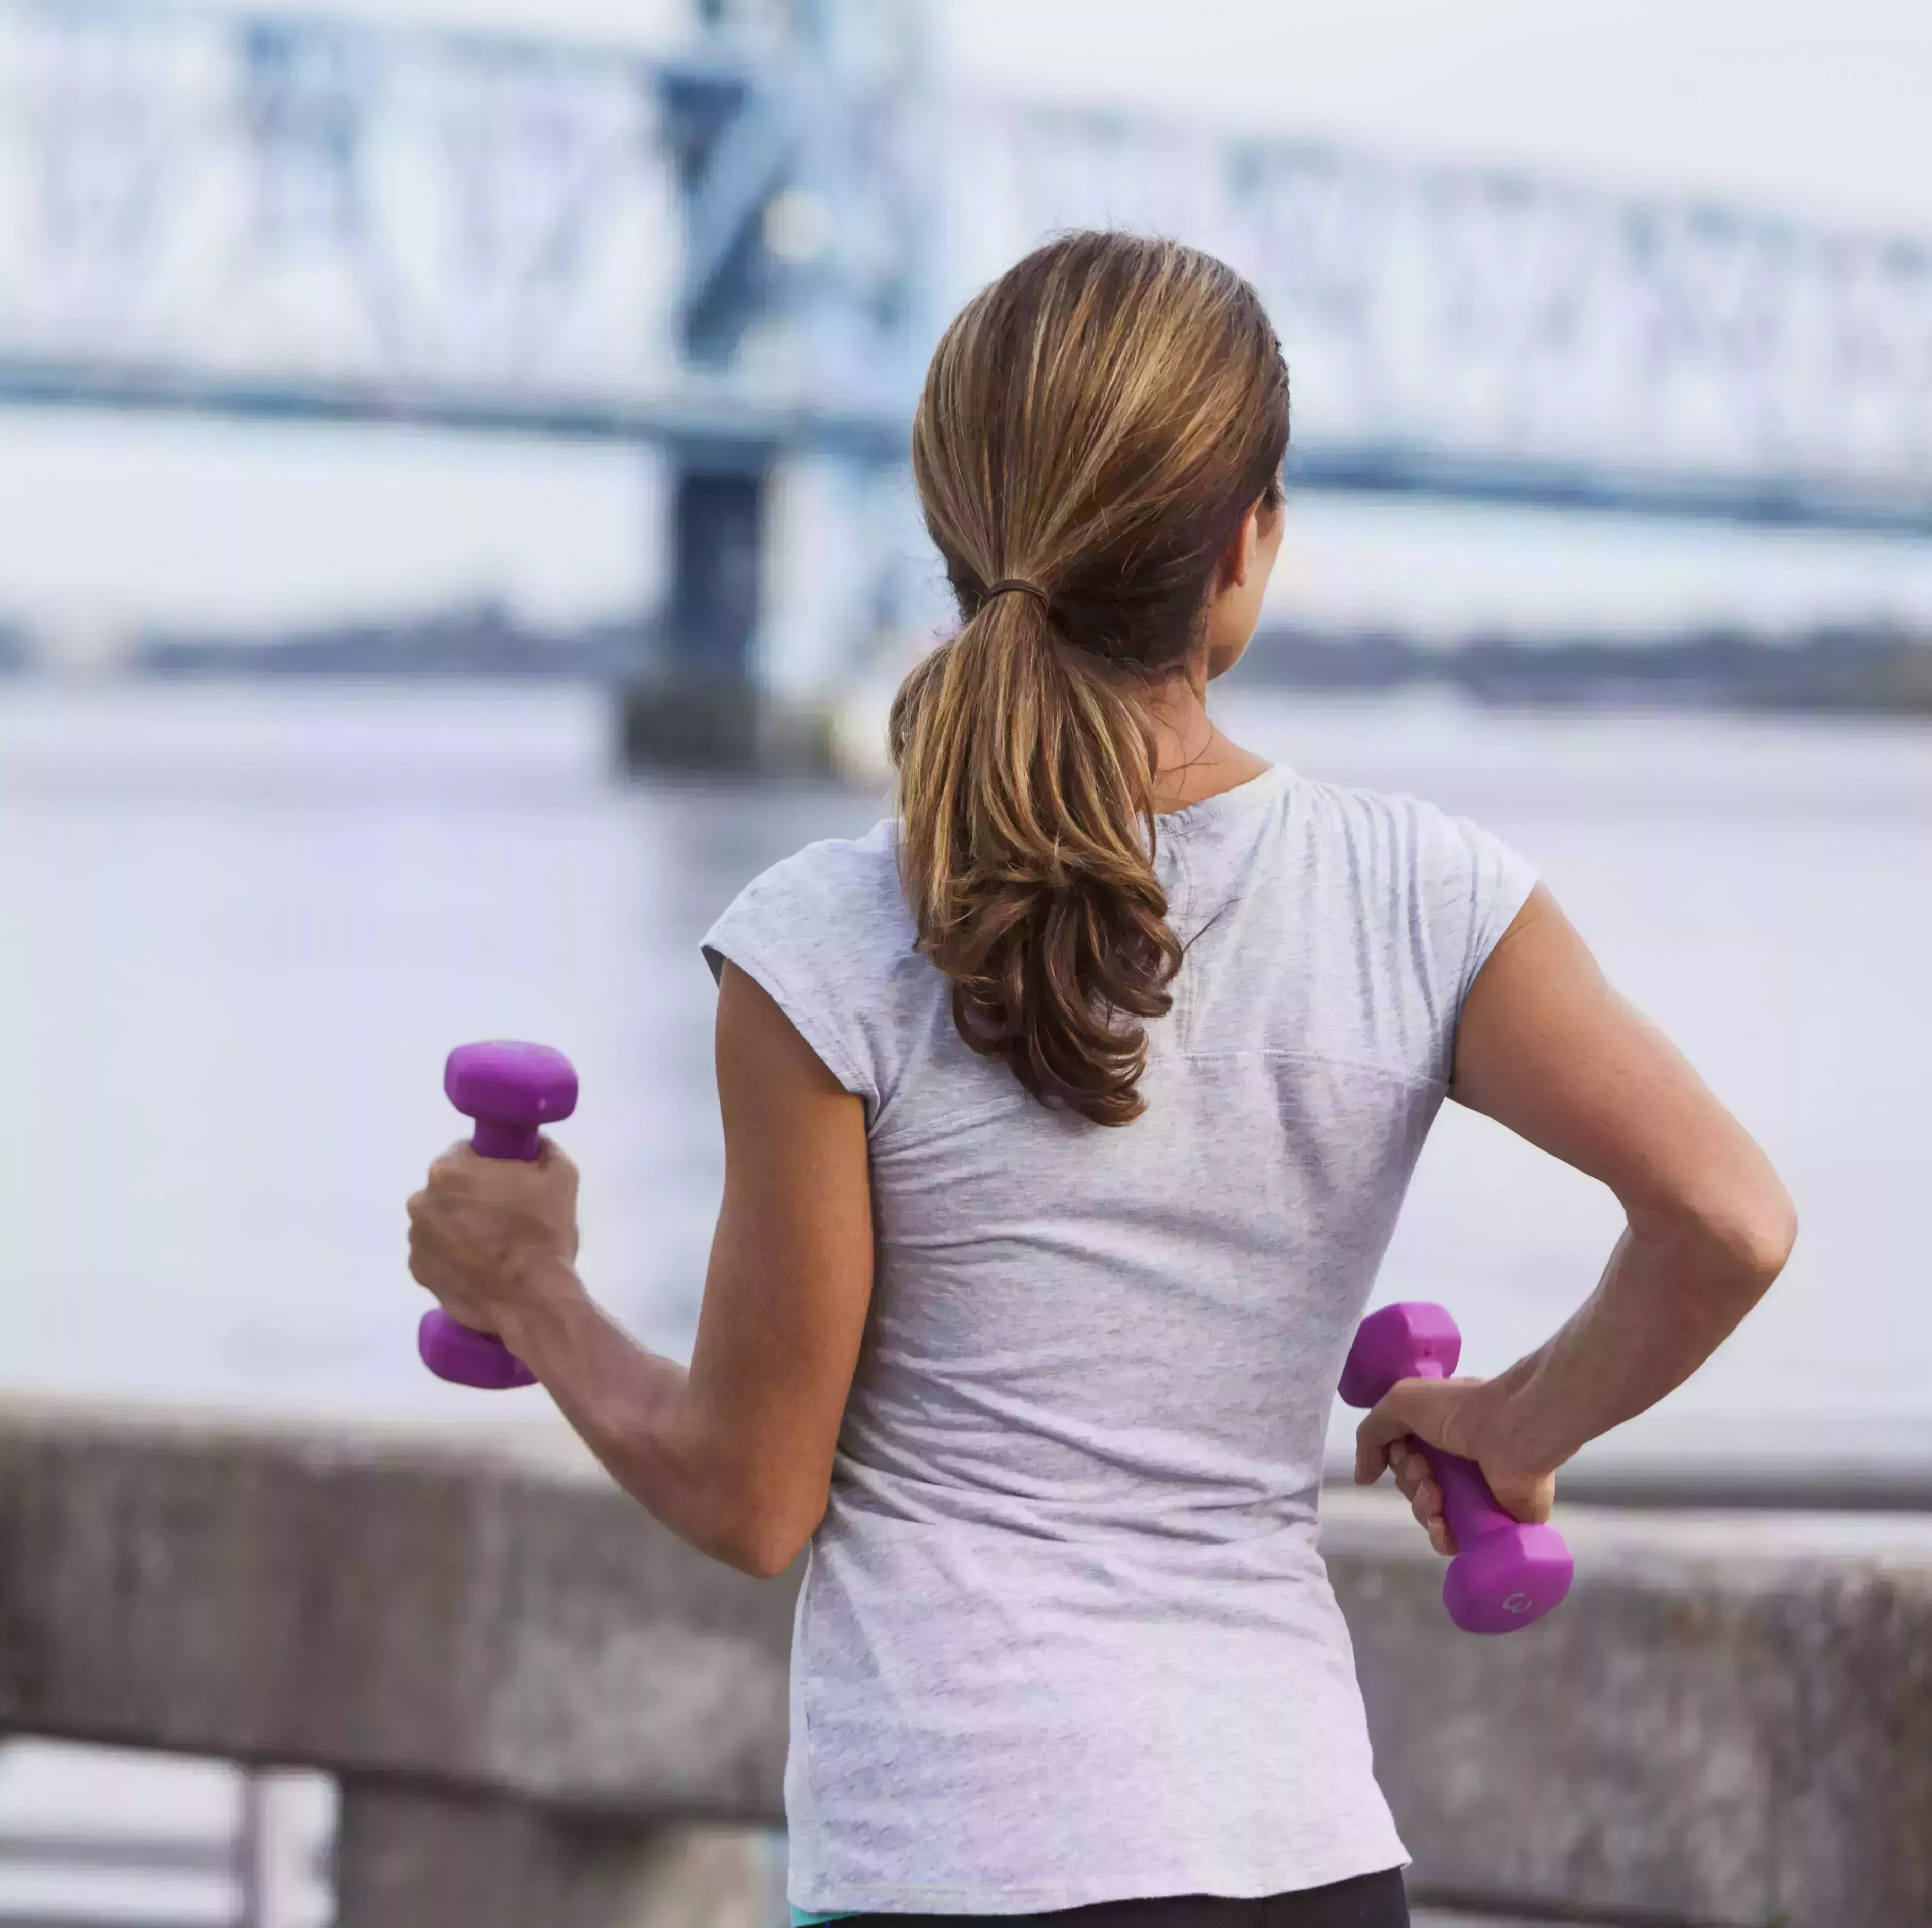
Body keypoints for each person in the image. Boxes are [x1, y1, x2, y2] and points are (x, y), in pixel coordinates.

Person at [406, 232, 1796, 1928]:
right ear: (1244, 550)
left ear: (952, 532)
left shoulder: (825, 943)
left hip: (948, 1861)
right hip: (1296, 1852)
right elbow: (1723, 1222)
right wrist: (1517, 1423)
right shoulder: (1427, 899)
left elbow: (750, 1496)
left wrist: (532, 1290)